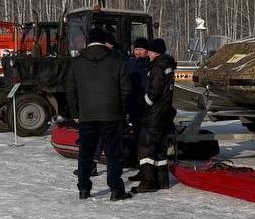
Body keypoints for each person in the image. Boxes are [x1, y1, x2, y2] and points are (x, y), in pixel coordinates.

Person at [63, 27, 133, 201]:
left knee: (85, 152)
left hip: (86, 115)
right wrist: (122, 110)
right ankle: (116, 189)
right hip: (111, 115)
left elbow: (70, 90)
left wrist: (75, 113)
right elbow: (126, 89)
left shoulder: (76, 62)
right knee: (113, 154)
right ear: (103, 41)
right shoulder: (117, 61)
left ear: (89, 41)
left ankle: (84, 189)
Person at [132, 38, 178, 194]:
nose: (147, 54)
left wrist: (144, 104)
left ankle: (148, 183)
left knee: (145, 149)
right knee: (159, 149)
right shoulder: (167, 65)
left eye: (149, 51)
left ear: (155, 51)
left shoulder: (158, 66)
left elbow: (154, 91)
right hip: (165, 114)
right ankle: (162, 180)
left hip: (154, 115)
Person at [125, 37, 151, 171]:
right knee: (136, 133)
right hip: (133, 104)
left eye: (141, 49)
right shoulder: (130, 63)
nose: (138, 52)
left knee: (145, 135)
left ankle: (144, 162)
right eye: (136, 49)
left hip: (146, 105)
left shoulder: (150, 64)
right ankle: (135, 159)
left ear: (147, 51)